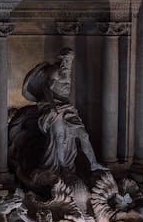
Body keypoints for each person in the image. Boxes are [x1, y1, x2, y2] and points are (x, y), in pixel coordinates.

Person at [25, 48, 108, 176]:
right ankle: (62, 166)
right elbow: (46, 89)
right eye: (67, 60)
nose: (68, 63)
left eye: (70, 61)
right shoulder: (55, 71)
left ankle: (93, 163)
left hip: (67, 108)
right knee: (59, 136)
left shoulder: (68, 72)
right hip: (53, 108)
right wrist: (53, 107)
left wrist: (65, 103)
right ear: (62, 60)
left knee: (83, 135)